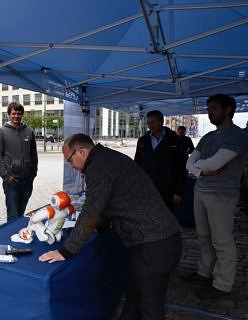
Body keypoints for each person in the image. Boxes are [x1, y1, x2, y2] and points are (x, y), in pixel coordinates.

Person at [39, 133, 182, 320]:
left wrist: (67, 251)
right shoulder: (105, 158)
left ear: (81, 152)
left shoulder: (99, 165)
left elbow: (93, 210)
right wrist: (101, 227)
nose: (70, 166)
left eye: (69, 160)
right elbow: (110, 202)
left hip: (155, 242)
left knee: (150, 305)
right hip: (150, 240)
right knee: (134, 294)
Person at [184, 94, 248, 300]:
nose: (210, 112)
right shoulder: (208, 137)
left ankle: (222, 284)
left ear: (228, 109)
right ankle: (204, 273)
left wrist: (198, 169)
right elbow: (189, 163)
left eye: (214, 108)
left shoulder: (237, 136)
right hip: (201, 191)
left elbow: (214, 164)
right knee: (203, 237)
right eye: (209, 108)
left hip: (222, 194)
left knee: (222, 240)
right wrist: (201, 171)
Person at [0, 102, 38, 221]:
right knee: (13, 214)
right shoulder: (2, 132)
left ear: (22, 114)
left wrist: (33, 173)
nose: (16, 116)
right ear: (9, 114)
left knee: (21, 212)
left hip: (27, 180)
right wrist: (6, 176)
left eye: (19, 113)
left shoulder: (29, 131)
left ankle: (21, 236)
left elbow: (34, 154)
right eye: (13, 113)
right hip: (11, 181)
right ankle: (12, 237)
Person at [134, 110, 187, 211]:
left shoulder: (175, 140)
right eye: (148, 123)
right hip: (147, 187)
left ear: (161, 121)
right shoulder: (143, 140)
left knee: (166, 217)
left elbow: (182, 167)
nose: (150, 125)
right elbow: (137, 164)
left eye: (153, 122)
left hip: (168, 190)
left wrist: (179, 191)